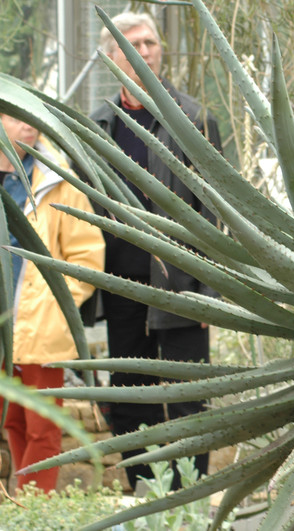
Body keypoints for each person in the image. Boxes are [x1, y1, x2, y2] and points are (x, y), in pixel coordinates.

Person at [91, 11, 222, 490]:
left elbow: (216, 212)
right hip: (121, 283)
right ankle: (144, 495)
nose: (143, 51)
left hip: (182, 284)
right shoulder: (99, 124)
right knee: (127, 395)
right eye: (131, 45)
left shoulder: (195, 119)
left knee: (190, 395)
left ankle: (190, 497)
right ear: (111, 57)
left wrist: (210, 288)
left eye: (150, 42)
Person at [0, 114, 105, 492]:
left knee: (42, 426)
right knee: (10, 421)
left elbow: (87, 258)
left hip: (40, 326)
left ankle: (34, 507)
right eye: (16, 116)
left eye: (32, 117)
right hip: (1, 330)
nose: (29, 124)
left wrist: (57, 304)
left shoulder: (58, 182)